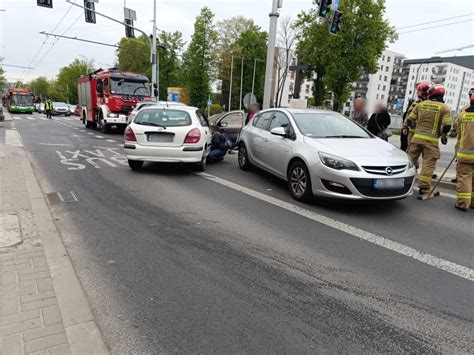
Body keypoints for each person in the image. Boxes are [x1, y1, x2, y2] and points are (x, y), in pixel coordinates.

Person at [407, 85, 452, 196]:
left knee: (410, 161)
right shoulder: (444, 108)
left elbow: (410, 120)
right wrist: (443, 135)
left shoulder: (421, 104)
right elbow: (447, 126)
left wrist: (416, 128)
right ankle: (424, 188)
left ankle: (403, 181)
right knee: (428, 163)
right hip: (431, 141)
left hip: (416, 138)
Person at [453, 91, 474, 212]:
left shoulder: (462, 115)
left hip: (465, 154)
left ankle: (462, 203)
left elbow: (457, 129)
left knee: (465, 178)